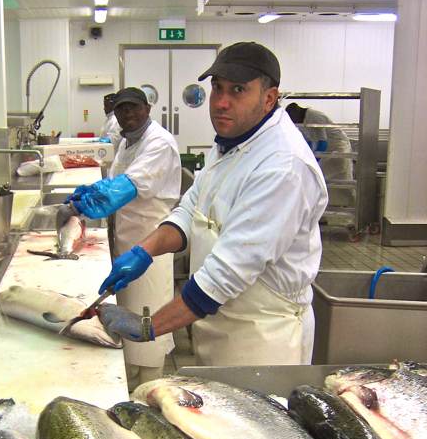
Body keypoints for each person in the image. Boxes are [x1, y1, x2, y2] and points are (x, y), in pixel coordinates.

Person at [96, 42, 328, 367]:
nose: (221, 102)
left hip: (262, 337)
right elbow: (192, 209)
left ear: (269, 98)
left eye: (238, 90)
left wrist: (149, 327)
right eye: (217, 88)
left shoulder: (283, 166)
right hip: (218, 320)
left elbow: (228, 272)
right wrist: (145, 251)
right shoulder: (229, 144)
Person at [63, 86, 181, 390]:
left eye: (133, 107)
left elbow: (127, 187)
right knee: (127, 312)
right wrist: (94, 190)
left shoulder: (159, 143)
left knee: (149, 312)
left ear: (147, 109)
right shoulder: (128, 141)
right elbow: (116, 180)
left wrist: (88, 202)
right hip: (127, 235)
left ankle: (151, 385)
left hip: (151, 240)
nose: (128, 114)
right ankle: (130, 380)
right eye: (121, 109)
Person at [286, 102, 356, 207]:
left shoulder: (314, 116)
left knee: (341, 179)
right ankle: (330, 208)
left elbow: (323, 143)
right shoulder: (301, 122)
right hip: (327, 150)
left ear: (298, 112)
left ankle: (348, 208)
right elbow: (309, 141)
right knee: (325, 180)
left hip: (338, 147)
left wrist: (314, 160)